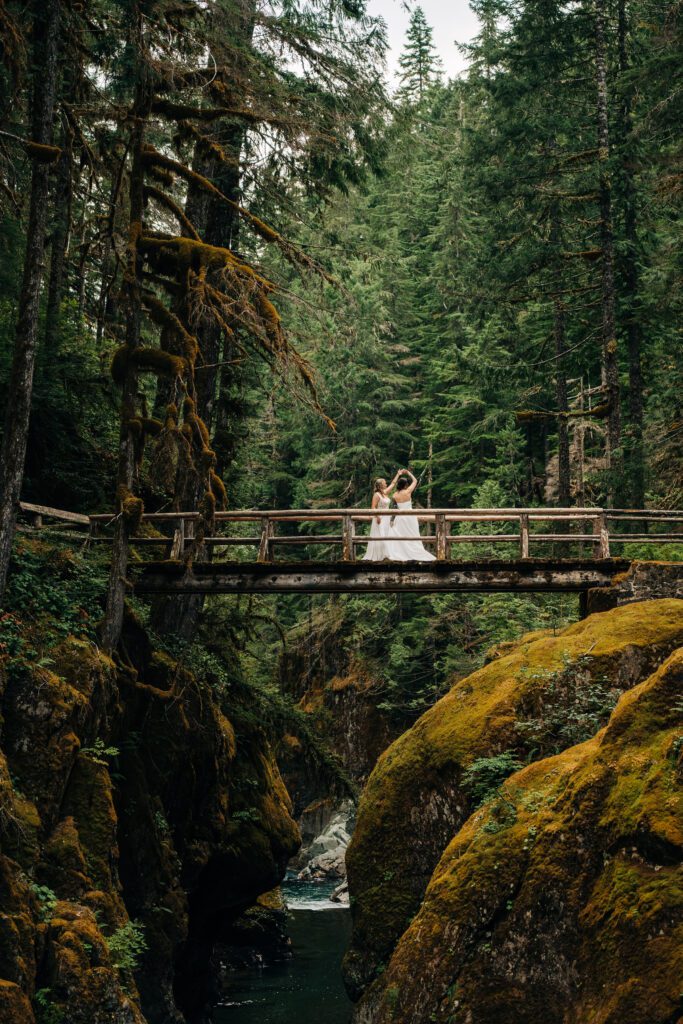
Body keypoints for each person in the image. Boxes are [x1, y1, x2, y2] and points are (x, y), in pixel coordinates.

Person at [389, 468, 436, 561]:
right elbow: (415, 480)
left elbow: (394, 508)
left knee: (401, 536)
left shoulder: (394, 495)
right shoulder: (408, 491)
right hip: (410, 516)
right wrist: (408, 473)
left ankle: (402, 554)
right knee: (413, 535)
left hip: (400, 517)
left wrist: (392, 519)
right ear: (406, 485)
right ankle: (414, 552)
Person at [362, 472, 401, 561]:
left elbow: (393, 484)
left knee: (387, 535)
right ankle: (380, 555)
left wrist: (398, 474)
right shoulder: (377, 495)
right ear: (380, 485)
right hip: (380, 518)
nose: (386, 484)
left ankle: (386, 554)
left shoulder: (385, 492)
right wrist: (377, 516)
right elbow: (373, 507)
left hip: (387, 517)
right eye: (384, 483)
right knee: (381, 535)